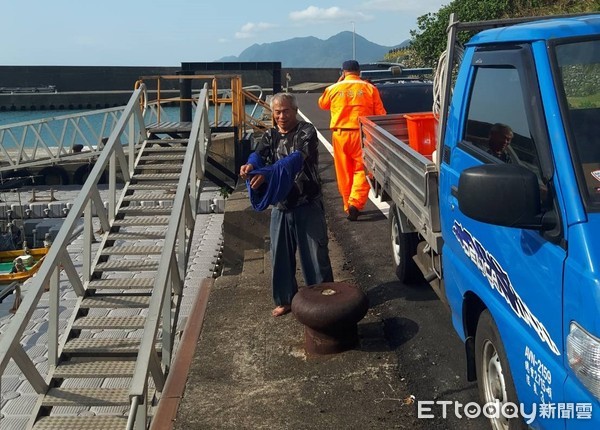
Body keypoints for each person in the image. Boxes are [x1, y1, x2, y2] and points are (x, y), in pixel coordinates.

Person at [239, 92, 334, 317]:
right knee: (279, 256)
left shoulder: (306, 131)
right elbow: (257, 155)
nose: (281, 116)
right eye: (277, 112)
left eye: (285, 111)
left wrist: (267, 173)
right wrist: (251, 167)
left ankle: (322, 299)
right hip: (281, 206)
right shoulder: (270, 135)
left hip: (307, 203)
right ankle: (285, 299)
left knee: (315, 255)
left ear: (294, 110)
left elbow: (295, 160)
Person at [318, 59, 386, 221]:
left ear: (343, 72)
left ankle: (348, 205)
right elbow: (381, 114)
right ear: (359, 72)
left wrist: (337, 83)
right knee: (363, 169)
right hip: (362, 135)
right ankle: (355, 202)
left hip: (340, 135)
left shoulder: (333, 88)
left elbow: (322, 104)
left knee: (344, 172)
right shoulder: (369, 88)